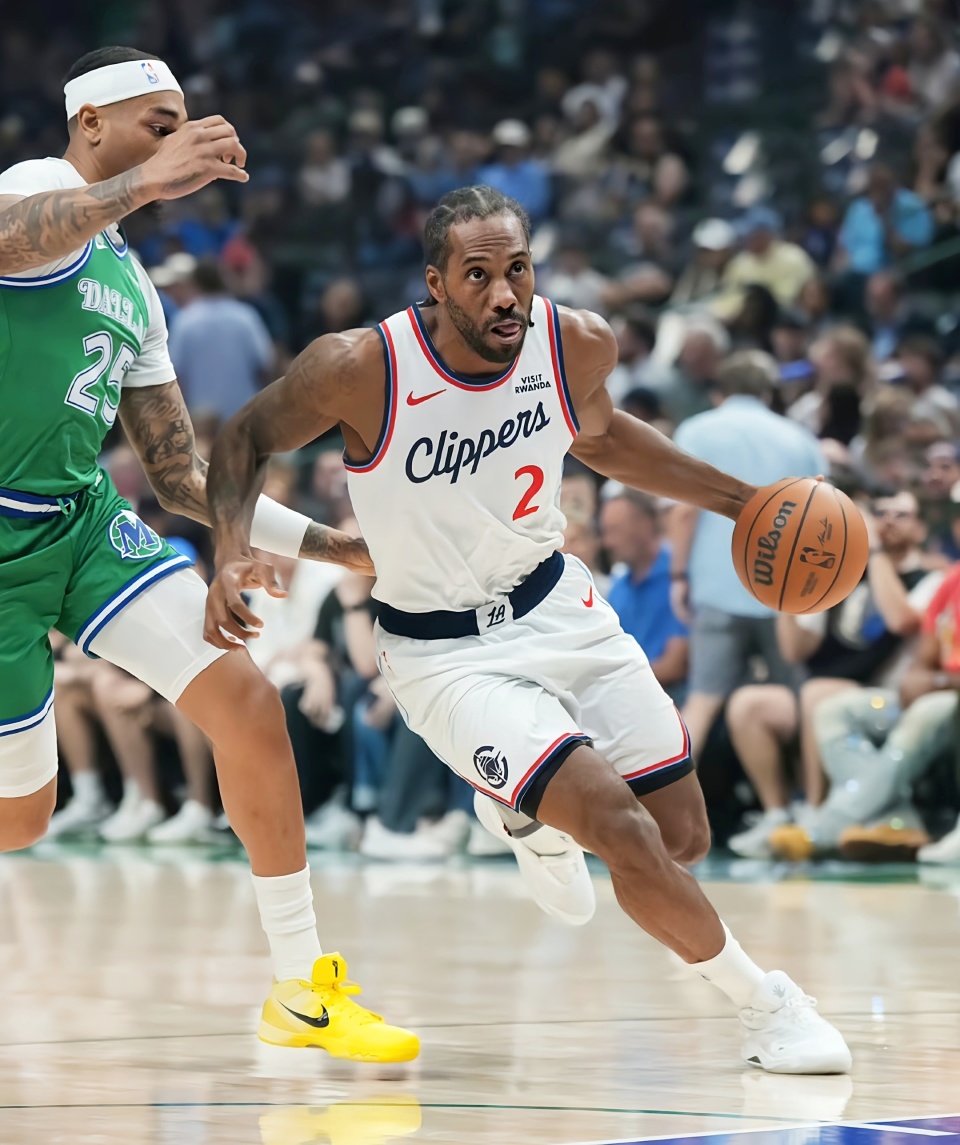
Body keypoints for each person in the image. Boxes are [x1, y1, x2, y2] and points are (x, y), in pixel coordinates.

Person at [206, 184, 851, 1075]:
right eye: (479, 275)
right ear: (437, 283)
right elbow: (242, 439)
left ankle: (523, 813)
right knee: (621, 829)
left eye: (518, 269)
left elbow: (602, 437)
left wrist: (743, 502)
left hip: (558, 607)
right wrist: (231, 551)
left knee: (682, 838)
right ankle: (768, 1006)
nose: (505, 293)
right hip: (446, 653)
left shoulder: (573, 341)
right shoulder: (362, 366)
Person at [0, 46, 416, 1063]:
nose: (179, 135)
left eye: (183, 121)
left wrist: (336, 546)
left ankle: (301, 988)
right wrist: (148, 179)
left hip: (81, 521)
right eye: (159, 120)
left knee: (246, 700)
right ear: (90, 123)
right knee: (21, 818)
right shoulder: (37, 188)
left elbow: (183, 475)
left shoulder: (136, 288)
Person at [725, 490, 944, 858]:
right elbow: (796, 651)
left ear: (921, 529)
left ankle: (816, 812)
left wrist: (874, 552)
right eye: (881, 512)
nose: (887, 520)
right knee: (750, 704)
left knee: (819, 693)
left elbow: (902, 621)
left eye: (901, 514)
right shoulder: (842, 573)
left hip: (887, 698)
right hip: (830, 688)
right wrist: (786, 587)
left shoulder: (929, 578)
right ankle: (777, 813)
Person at [669, 351, 826, 762]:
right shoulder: (799, 438)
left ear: (719, 392)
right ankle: (806, 795)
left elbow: (684, 511)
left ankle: (666, 796)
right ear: (769, 392)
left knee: (702, 700)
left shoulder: (697, 430)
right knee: (798, 700)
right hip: (783, 591)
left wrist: (678, 575)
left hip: (716, 584)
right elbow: (823, 513)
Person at [599, 488, 689, 703]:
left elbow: (675, 665)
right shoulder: (618, 589)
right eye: (605, 531)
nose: (608, 542)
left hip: (671, 699)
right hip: (628, 696)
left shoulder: (679, 579)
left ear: (645, 525)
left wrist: (615, 683)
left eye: (615, 530)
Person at [168, 259, 275, 420]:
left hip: (199, 418)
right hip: (243, 416)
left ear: (195, 283)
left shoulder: (184, 320)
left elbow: (175, 374)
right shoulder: (245, 317)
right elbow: (265, 365)